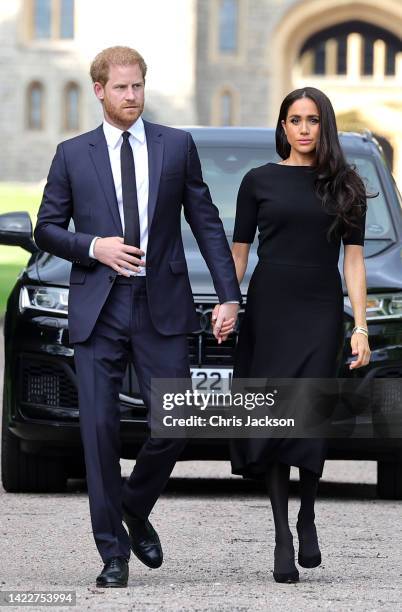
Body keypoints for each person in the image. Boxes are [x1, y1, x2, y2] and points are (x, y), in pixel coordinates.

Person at [34, 46, 241, 588]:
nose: (131, 96)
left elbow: (207, 222)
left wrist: (229, 294)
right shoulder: (72, 154)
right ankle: (113, 555)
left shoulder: (176, 146)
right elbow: (47, 228)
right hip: (98, 308)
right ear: (99, 90)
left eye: (138, 86)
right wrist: (94, 246)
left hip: (161, 304)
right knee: (98, 432)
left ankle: (130, 504)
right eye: (121, 87)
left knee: (173, 421)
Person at [212, 86, 372, 583]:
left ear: (324, 125)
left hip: (320, 312)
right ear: (282, 127)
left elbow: (354, 260)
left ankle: (307, 514)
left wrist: (360, 326)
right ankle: (282, 531)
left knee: (309, 418)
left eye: (312, 119)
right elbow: (239, 252)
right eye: (294, 119)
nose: (303, 128)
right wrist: (227, 301)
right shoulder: (257, 181)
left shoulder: (346, 184)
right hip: (269, 310)